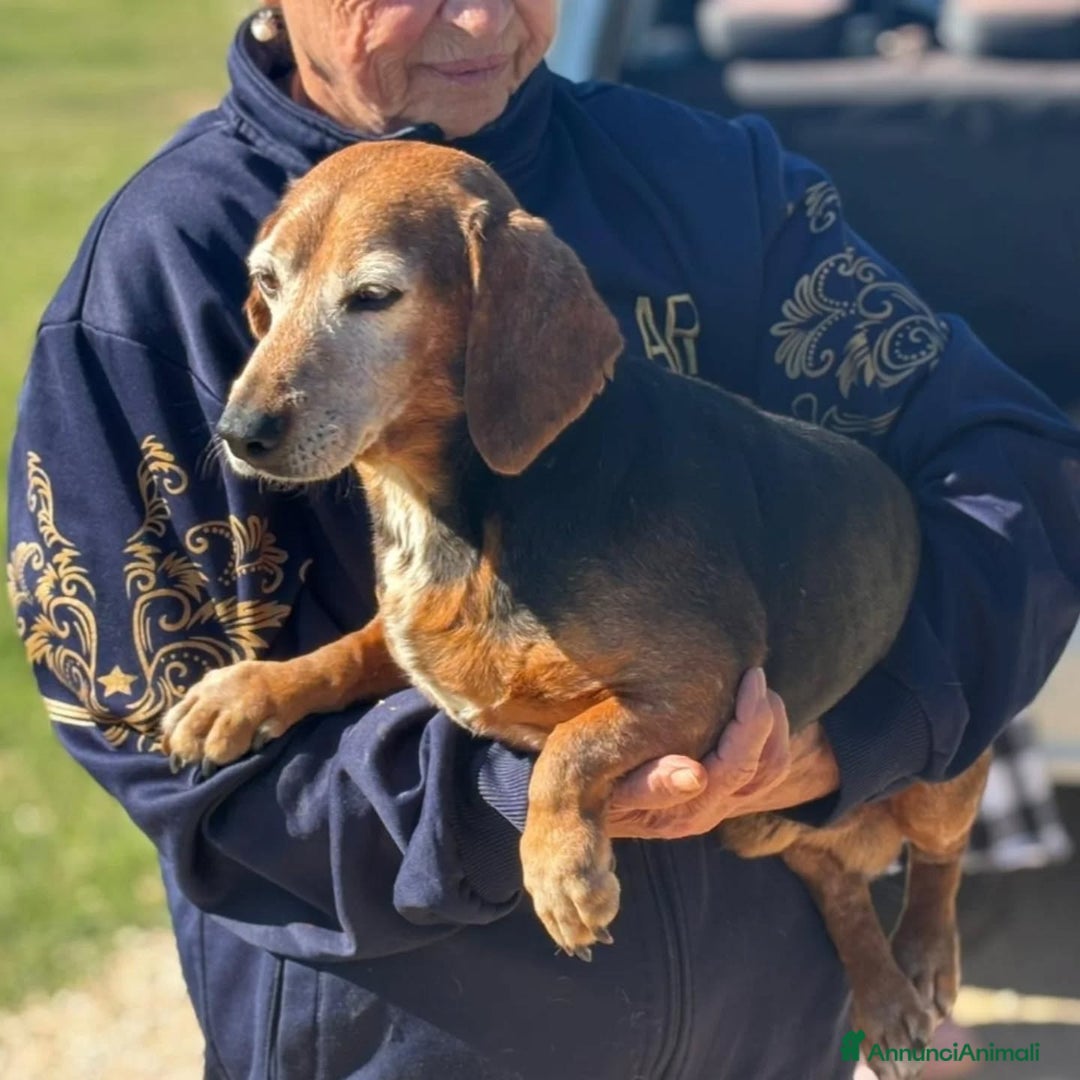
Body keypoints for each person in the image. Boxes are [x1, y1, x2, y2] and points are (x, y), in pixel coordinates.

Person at [7, 3, 1080, 1078]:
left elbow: (1013, 472)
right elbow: (182, 770)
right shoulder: (156, 279)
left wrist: (867, 727)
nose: (478, 16)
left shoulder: (708, 182)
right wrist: (519, 796)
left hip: (764, 1049)